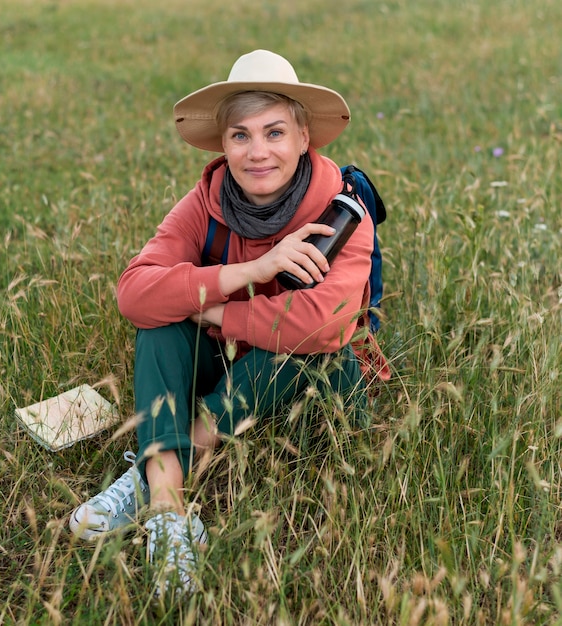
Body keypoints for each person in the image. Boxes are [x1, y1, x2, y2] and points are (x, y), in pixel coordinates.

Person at [69, 49, 388, 595]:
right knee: (160, 325)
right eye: (240, 135)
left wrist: (210, 308)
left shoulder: (342, 211)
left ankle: (181, 451)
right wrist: (254, 270)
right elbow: (134, 293)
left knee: (299, 346)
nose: (257, 151)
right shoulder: (206, 201)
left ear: (304, 137)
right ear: (223, 144)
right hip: (231, 357)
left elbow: (324, 325)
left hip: (316, 381)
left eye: (274, 132)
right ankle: (167, 514)